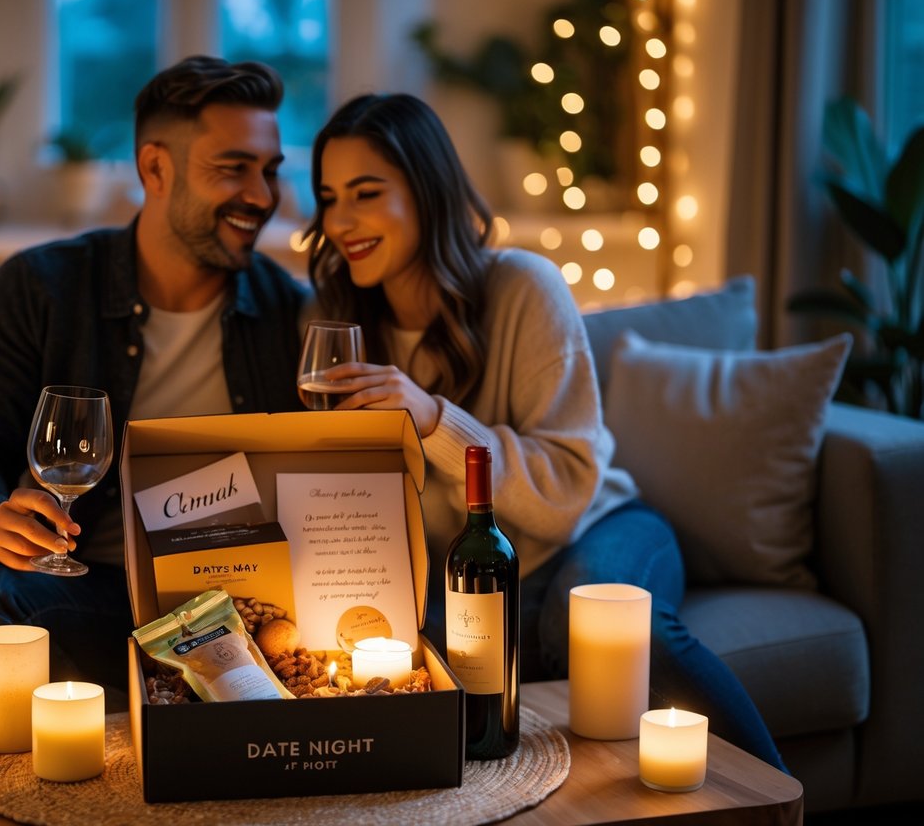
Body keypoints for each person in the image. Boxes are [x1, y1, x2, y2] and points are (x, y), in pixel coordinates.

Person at [304, 92, 787, 770]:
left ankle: (777, 800)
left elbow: (564, 491)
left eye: (365, 192)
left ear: (426, 192)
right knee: (420, 667)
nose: (340, 220)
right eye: (328, 197)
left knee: (599, 624)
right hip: (473, 571)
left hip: (594, 522)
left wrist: (433, 418)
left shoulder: (524, 288)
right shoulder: (335, 328)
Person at [0, 56, 309, 703]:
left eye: (268, 171)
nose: (261, 196)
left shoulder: (290, 310)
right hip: (86, 591)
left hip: (240, 611)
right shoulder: (41, 286)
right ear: (154, 167)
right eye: (232, 168)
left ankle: (142, 718)